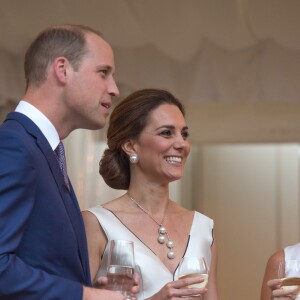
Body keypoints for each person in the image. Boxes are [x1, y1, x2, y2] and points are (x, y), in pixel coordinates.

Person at [0, 24, 138, 300]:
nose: (114, 89)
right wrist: (84, 296)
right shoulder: (15, 145)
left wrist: (90, 288)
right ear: (62, 69)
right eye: (103, 73)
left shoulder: (43, 150)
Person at [82, 88, 219, 299]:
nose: (181, 144)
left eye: (184, 134)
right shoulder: (95, 224)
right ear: (130, 146)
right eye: (166, 133)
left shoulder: (203, 228)